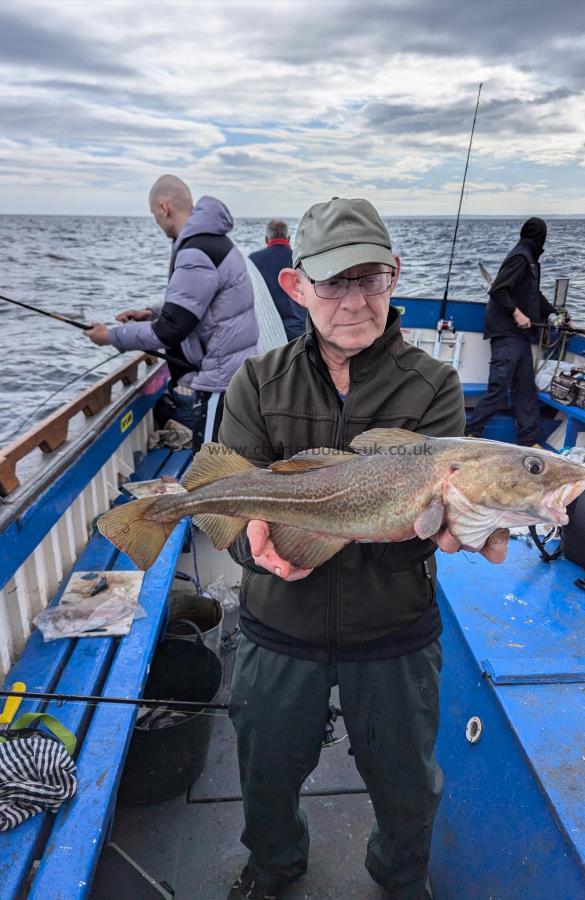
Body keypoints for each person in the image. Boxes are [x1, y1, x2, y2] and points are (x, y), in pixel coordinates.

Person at [218, 197, 509, 900]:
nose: (353, 302)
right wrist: (249, 541)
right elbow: (228, 506)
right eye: (332, 283)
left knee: (409, 785)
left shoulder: (433, 386)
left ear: (393, 278)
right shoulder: (256, 381)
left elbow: (435, 518)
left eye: (369, 280)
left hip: (393, 627)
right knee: (265, 772)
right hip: (279, 621)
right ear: (295, 286)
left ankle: (400, 876)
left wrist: (453, 528)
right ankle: (275, 865)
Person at [85, 175, 258, 448]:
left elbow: (170, 330)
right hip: (232, 373)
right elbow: (198, 307)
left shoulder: (196, 250)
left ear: (164, 208)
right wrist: (152, 313)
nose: (157, 222)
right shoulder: (212, 241)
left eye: (155, 215)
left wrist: (111, 336)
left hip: (222, 381)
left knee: (210, 466)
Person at [466, 217, 557, 446]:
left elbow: (535, 296)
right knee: (499, 388)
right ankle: (469, 433)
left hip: (520, 336)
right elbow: (498, 290)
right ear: (540, 238)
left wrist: (555, 314)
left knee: (525, 390)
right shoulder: (520, 257)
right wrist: (517, 313)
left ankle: (529, 440)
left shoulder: (531, 261)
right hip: (507, 333)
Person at [249, 219, 307, 340]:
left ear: (266, 239)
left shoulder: (253, 261)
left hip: (267, 333)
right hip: (300, 331)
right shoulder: (301, 260)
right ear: (289, 238)